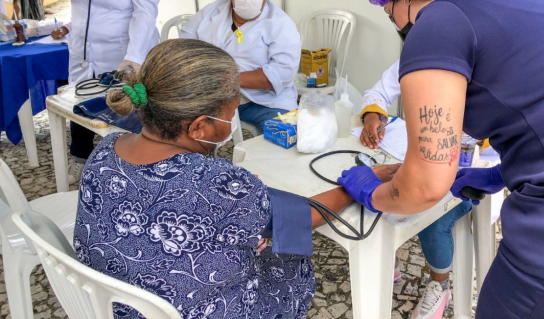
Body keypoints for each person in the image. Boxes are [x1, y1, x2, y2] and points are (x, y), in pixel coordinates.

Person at [338, 0, 544, 318]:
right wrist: (502, 173)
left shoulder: (438, 23)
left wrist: (371, 192)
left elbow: (425, 187)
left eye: (386, 8)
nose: (392, 19)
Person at [73, 38, 400, 318]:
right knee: (287, 261)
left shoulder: (104, 151)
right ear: (200, 126)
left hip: (117, 304)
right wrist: (352, 186)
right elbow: (299, 218)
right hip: (198, 309)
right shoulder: (222, 186)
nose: (232, 123)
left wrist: (235, 192)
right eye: (230, 114)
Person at [358, 0, 509, 319]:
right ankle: (383, 258)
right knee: (382, 184)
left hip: (481, 166)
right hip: (427, 158)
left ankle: (439, 283)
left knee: (435, 217)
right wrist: (373, 113)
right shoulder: (433, 47)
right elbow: (379, 88)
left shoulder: (502, 59)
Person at [49, 0, 165, 182]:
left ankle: (127, 171)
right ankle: (82, 161)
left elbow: (144, 15)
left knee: (120, 115)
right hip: (83, 50)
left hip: (120, 54)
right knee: (80, 102)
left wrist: (134, 58)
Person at [180, 0, 300, 132]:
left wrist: (227, 80)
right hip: (212, 99)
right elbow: (184, 46)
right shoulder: (212, 12)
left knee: (283, 134)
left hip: (262, 102)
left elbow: (283, 72)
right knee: (180, 128)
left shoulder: (280, 23)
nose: (247, 1)